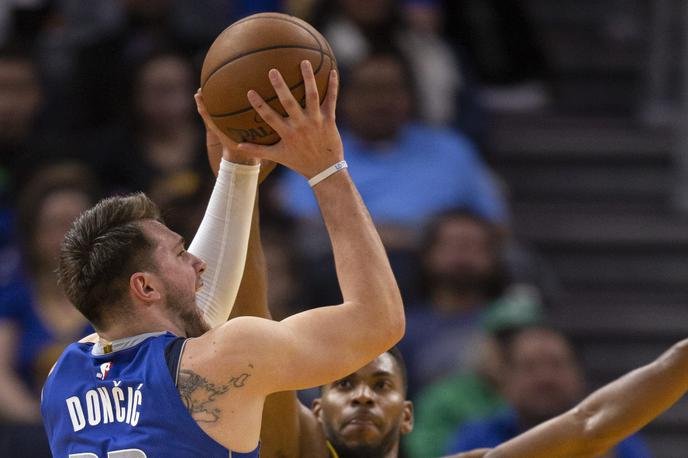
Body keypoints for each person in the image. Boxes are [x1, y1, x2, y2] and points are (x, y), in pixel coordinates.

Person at [41, 62, 405, 457]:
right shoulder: (223, 359)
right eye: (181, 254)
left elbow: (188, 318)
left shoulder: (62, 378)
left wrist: (237, 165)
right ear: (144, 286)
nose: (199, 264)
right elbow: (379, 319)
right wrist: (326, 166)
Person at [209, 134, 413, 458]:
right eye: (344, 385)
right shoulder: (297, 447)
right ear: (316, 410)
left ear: (407, 415)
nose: (363, 397)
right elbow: (249, 321)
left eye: (381, 385)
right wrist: (238, 184)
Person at [445, 326, 650, 457]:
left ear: (578, 375)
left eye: (556, 365)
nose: (544, 378)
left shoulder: (616, 434)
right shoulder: (476, 437)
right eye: (529, 367)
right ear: (506, 380)